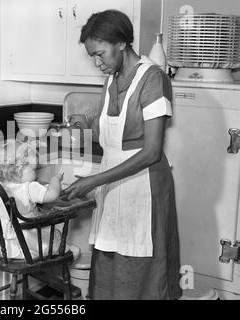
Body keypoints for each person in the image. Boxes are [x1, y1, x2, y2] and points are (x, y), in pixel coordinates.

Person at [60, 10, 182, 300]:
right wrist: (85, 123)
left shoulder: (153, 79)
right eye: (92, 55)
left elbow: (152, 151)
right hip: (113, 189)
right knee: (111, 265)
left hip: (144, 189)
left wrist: (93, 181)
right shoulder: (110, 81)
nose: (96, 62)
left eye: (100, 53)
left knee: (141, 269)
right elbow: (111, 137)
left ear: (122, 43)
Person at [0, 139, 81, 260]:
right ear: (19, 168)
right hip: (29, 247)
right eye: (34, 169)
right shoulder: (29, 188)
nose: (36, 174)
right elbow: (53, 195)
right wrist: (55, 180)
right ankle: (66, 250)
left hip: (4, 248)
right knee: (53, 236)